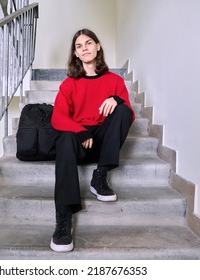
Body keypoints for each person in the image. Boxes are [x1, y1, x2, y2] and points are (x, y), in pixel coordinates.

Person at [50, 28, 135, 252]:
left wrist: (116, 100)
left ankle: (100, 176)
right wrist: (80, 130)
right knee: (65, 139)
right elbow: (57, 117)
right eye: (79, 46)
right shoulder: (69, 84)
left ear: (98, 47)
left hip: (103, 142)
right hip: (79, 141)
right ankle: (63, 218)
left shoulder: (115, 81)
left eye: (88, 43)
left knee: (124, 110)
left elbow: (129, 114)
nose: (84, 48)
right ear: (76, 54)